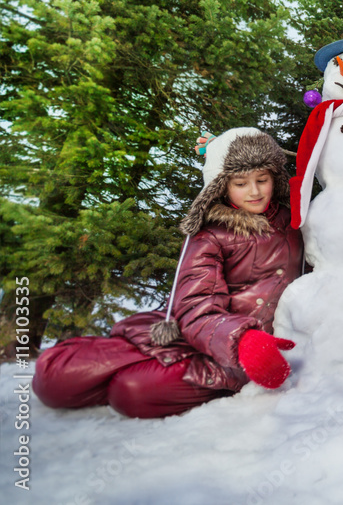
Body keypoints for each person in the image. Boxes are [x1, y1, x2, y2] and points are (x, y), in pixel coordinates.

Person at [33, 128, 304, 418]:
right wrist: (242, 341)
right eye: (241, 183)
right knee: (56, 375)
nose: (255, 191)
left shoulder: (296, 222)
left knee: (132, 391)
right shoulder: (210, 235)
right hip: (207, 333)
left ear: (274, 178)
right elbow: (196, 304)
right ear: (221, 186)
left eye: (262, 180)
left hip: (233, 351)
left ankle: (123, 379)